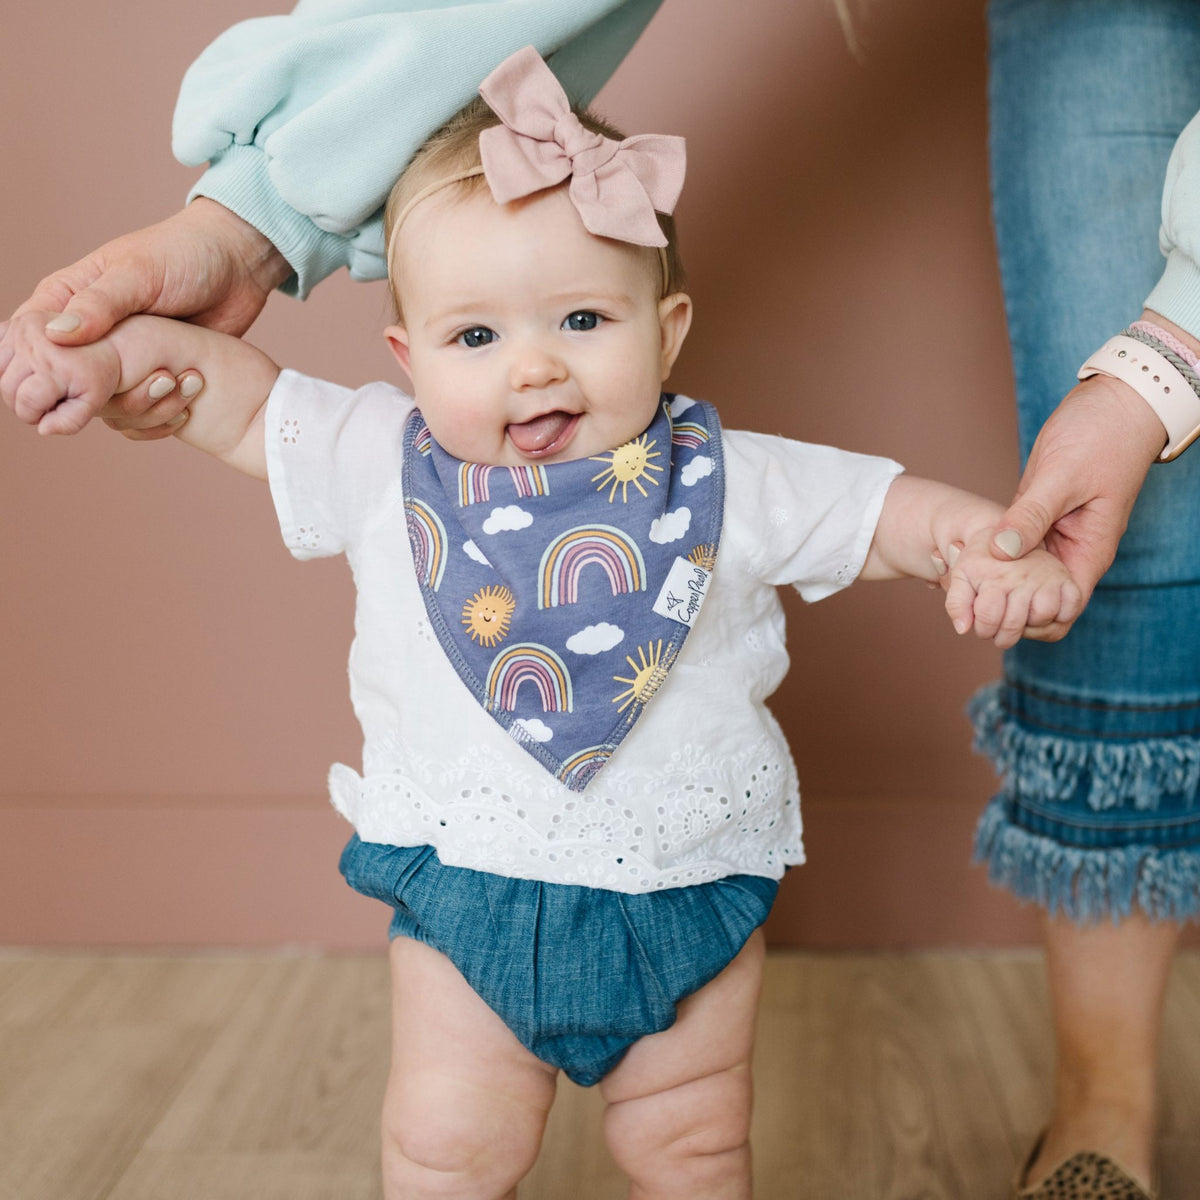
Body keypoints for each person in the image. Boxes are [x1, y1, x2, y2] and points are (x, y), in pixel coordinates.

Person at [7, 4, 1200, 1197]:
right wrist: (113, 360)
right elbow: (237, 400)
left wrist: (979, 545)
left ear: (665, 328)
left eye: (582, 319)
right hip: (464, 892)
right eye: (475, 334)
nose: (534, 365)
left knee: (689, 1145)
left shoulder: (723, 477)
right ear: (406, 355)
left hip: (686, 893)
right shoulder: (385, 459)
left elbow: (878, 512)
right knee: (443, 1148)